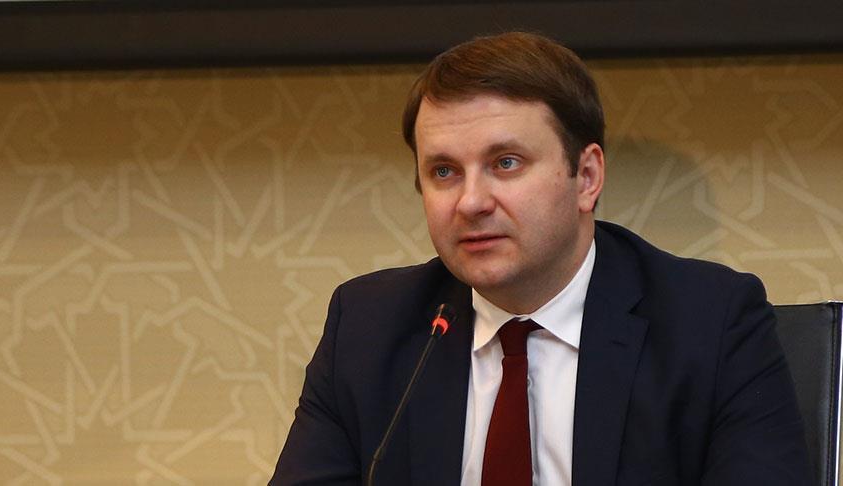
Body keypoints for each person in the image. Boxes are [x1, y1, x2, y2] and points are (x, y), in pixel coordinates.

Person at [270, 32, 810, 485]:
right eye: (443, 171)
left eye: (505, 162)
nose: (471, 202)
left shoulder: (711, 322)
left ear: (587, 177)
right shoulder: (367, 328)